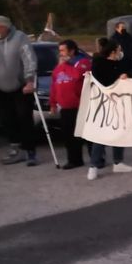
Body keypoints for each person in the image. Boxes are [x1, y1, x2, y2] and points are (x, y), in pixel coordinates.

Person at [0, 15, 38, 165]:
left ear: (5, 27)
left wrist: (29, 80)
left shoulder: (20, 38)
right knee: (7, 119)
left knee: (24, 118)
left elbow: (29, 59)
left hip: (20, 86)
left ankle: (30, 151)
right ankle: (15, 149)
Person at [89, 39, 132, 180]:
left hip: (119, 103)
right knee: (101, 135)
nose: (121, 52)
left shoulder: (119, 63)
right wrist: (117, 78)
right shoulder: (98, 64)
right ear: (113, 51)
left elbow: (130, 67)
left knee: (119, 132)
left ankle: (118, 161)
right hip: (104, 103)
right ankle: (94, 165)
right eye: (119, 49)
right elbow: (103, 82)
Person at [50, 39, 92, 170]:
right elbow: (55, 85)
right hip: (66, 106)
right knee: (69, 135)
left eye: (63, 50)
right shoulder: (59, 67)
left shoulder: (83, 62)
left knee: (88, 134)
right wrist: (53, 103)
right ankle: (74, 160)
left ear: (72, 51)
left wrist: (67, 65)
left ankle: (97, 158)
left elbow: (77, 76)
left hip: (81, 105)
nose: (60, 53)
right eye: (59, 51)